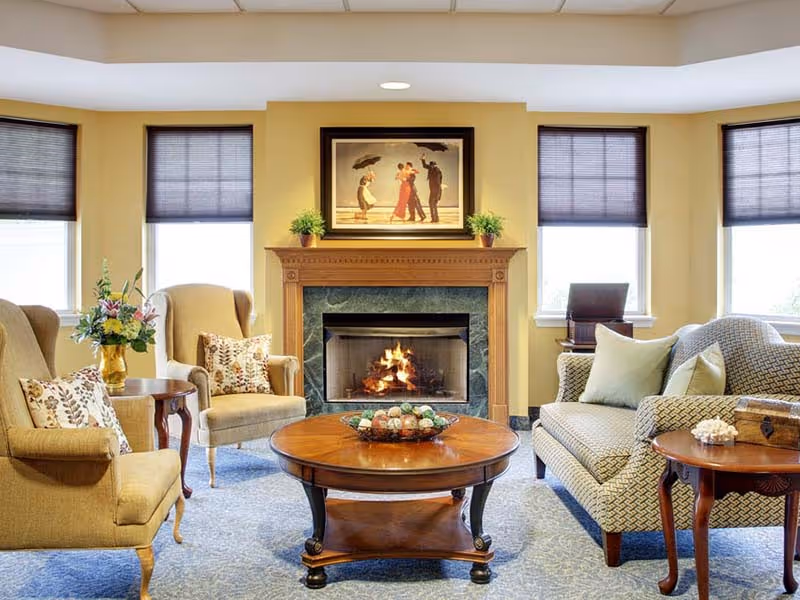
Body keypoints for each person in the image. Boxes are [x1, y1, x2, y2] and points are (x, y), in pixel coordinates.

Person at [421, 154, 443, 223]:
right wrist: (423, 159)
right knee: (433, 204)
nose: (429, 167)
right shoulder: (433, 169)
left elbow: (438, 183)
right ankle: (435, 219)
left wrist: (437, 194)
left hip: (436, 191)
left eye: (431, 166)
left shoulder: (436, 171)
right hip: (434, 190)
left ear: (433, 166)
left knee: (432, 204)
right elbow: (425, 166)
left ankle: (435, 219)